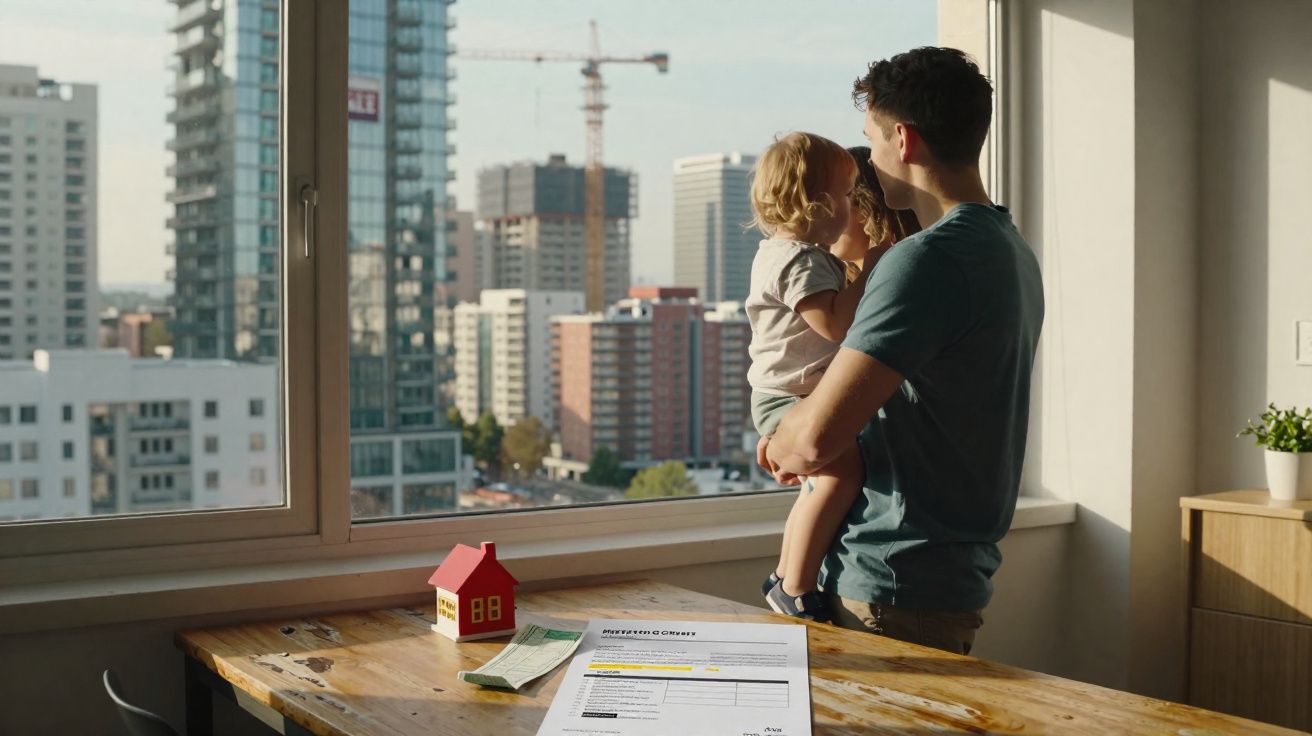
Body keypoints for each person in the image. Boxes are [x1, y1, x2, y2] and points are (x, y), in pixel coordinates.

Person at [760, 47, 1045, 655]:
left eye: (871, 138)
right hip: (946, 574)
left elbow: (810, 443)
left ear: (904, 138)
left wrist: (777, 442)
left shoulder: (925, 260)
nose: (868, 162)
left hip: (888, 582)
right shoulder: (1010, 250)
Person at [745, 131, 879, 621]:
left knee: (824, 479)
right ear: (816, 203)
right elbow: (836, 325)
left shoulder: (792, 255)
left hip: (790, 392)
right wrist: (873, 268)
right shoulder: (799, 259)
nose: (850, 206)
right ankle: (793, 583)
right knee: (838, 472)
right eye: (845, 196)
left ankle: (788, 576)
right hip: (789, 394)